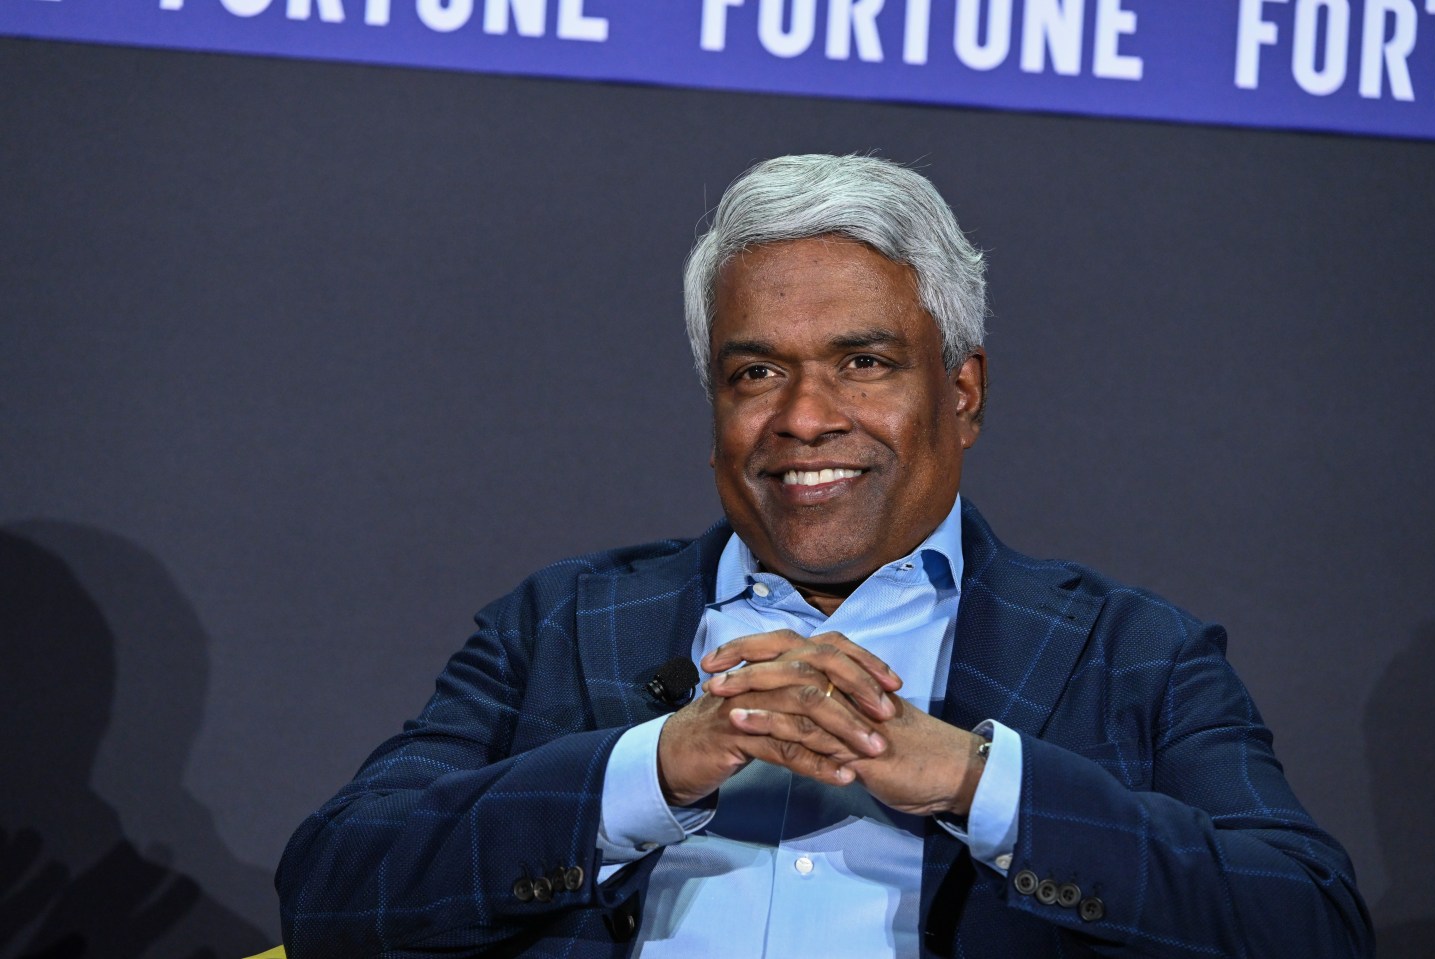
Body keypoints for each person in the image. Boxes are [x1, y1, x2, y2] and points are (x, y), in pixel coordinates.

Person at [275, 154, 1373, 957]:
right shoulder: (559, 623)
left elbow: (1307, 919)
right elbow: (334, 889)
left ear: (962, 390)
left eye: (863, 362)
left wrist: (976, 780)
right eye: (755, 373)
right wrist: (655, 765)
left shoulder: (1136, 653)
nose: (804, 418)